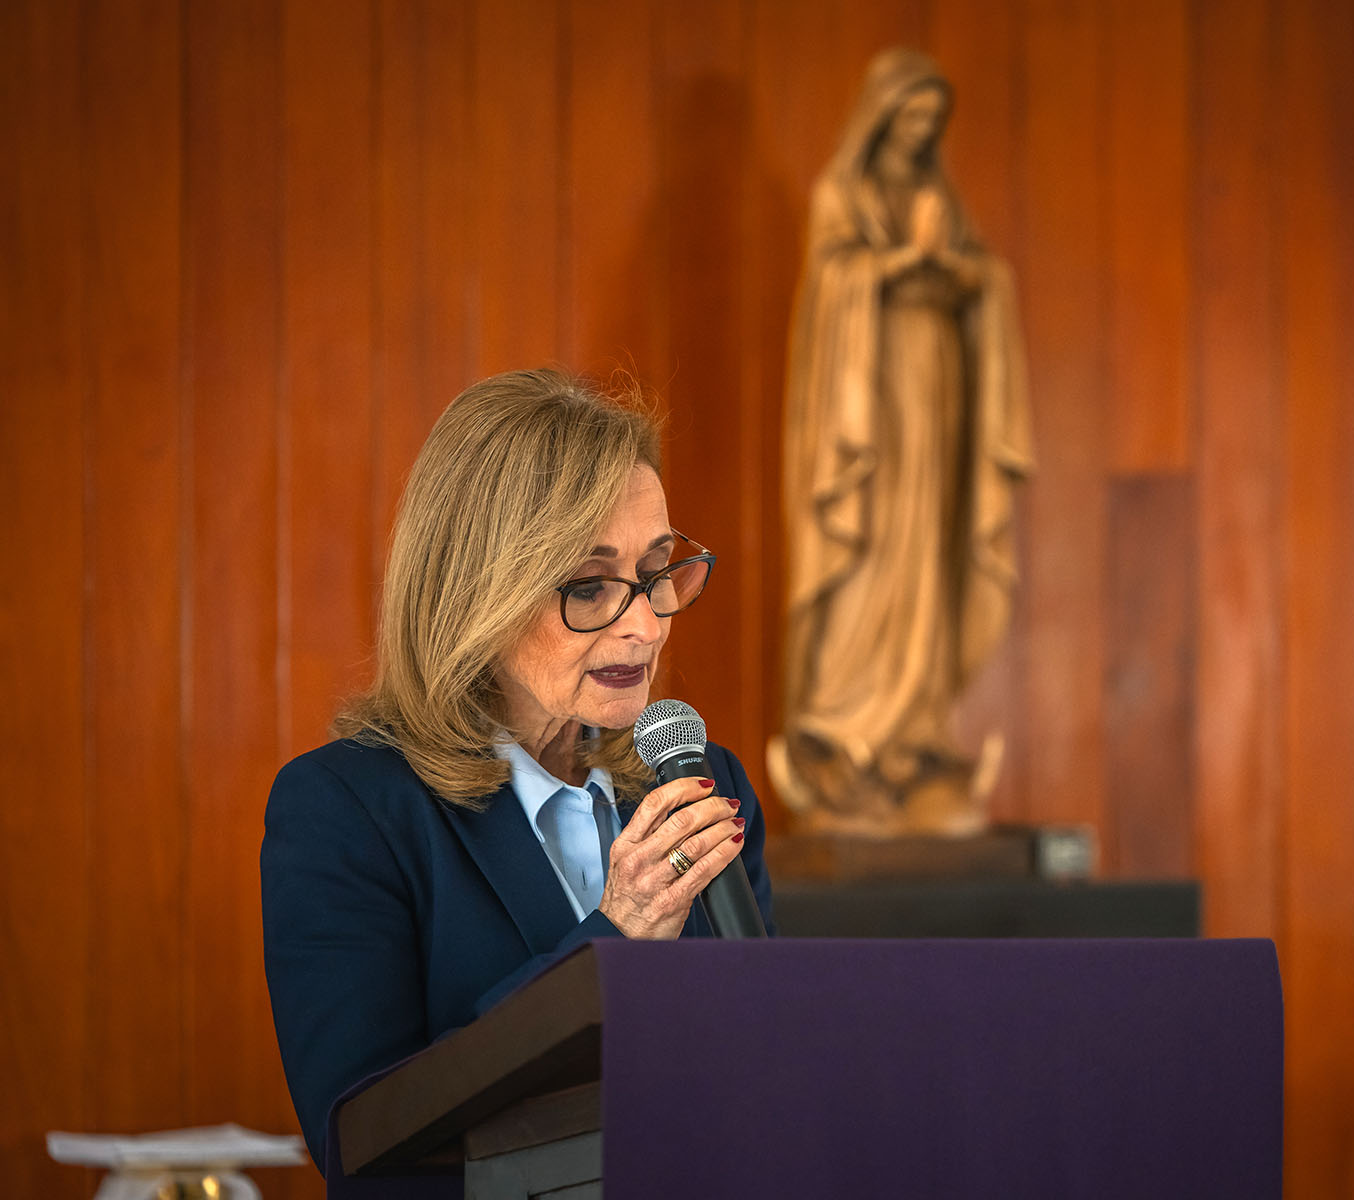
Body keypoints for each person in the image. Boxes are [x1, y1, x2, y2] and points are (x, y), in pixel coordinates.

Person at [261, 368, 775, 1171]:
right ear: (478, 593)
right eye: (590, 585)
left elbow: (764, 1075)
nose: (643, 626)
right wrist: (615, 943)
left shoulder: (707, 783)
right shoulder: (346, 810)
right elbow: (360, 1138)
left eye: (655, 571)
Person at [773, 47, 1032, 836]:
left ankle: (913, 738)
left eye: (933, 121)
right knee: (870, 553)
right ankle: (847, 734)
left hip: (936, 396)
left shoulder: (939, 193)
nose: (922, 133)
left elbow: (981, 275)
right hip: (865, 405)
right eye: (911, 117)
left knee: (924, 556)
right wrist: (898, 265)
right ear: (882, 116)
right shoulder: (839, 193)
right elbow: (831, 290)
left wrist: (964, 275)